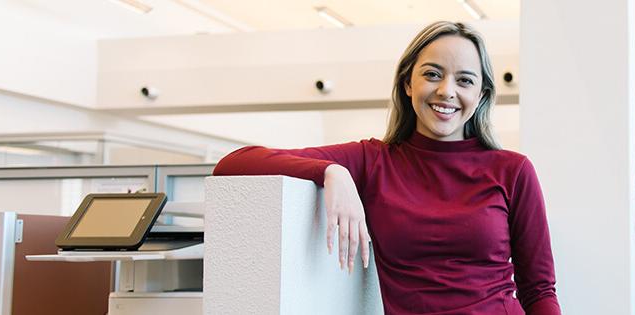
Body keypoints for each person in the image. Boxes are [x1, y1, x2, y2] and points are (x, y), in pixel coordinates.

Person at [212, 21, 560, 315]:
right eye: (432, 74)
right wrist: (331, 172)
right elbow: (234, 163)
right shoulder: (373, 161)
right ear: (408, 84)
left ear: (482, 95)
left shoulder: (513, 171)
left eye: (465, 80)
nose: (446, 91)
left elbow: (540, 290)